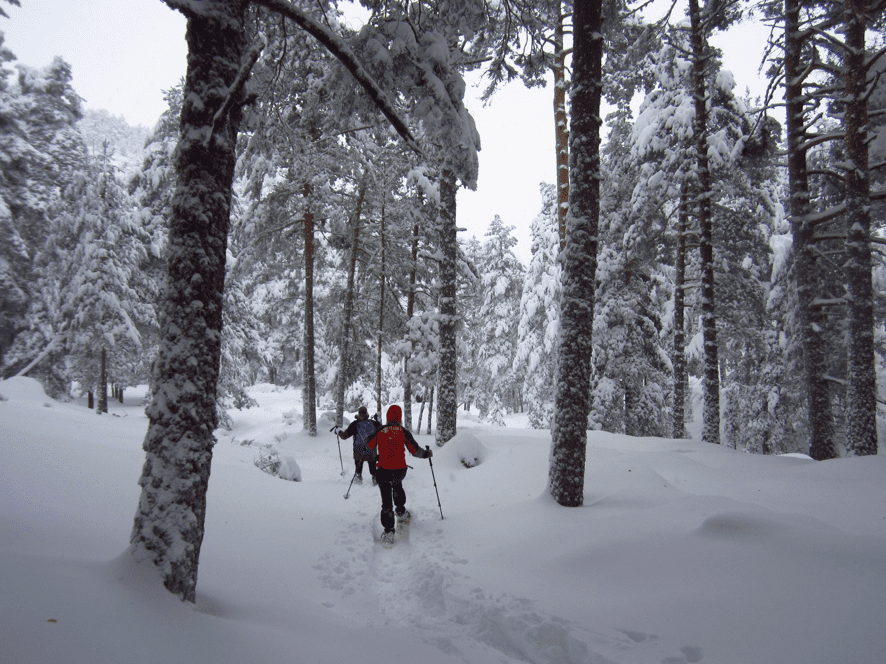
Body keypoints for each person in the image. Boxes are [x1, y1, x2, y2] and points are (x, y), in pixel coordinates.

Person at [366, 404, 432, 544]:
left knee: (386, 501)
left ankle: (389, 532)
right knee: (397, 486)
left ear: (388, 416)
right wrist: (426, 454)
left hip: (383, 472)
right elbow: (415, 451)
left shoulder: (380, 430)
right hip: (400, 471)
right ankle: (401, 512)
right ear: (399, 417)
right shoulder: (403, 431)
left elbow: (369, 445)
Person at [337, 406, 381, 486]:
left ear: (359, 414)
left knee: (358, 470)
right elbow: (382, 429)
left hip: (359, 452)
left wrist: (338, 431)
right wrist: (377, 420)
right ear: (367, 413)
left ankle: (358, 481)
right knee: (373, 471)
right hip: (371, 452)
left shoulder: (355, 424)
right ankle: (375, 482)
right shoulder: (373, 423)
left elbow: (344, 436)